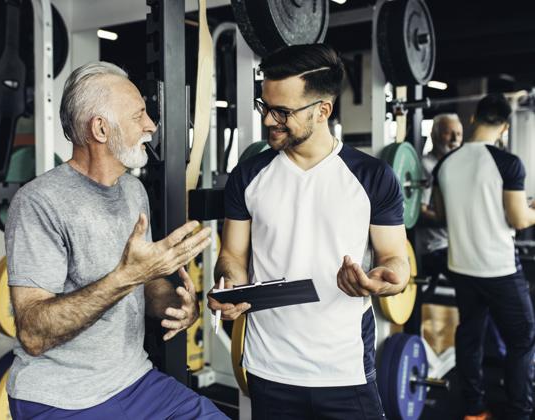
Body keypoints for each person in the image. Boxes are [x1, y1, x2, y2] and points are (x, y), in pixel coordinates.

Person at [4, 61, 228, 420]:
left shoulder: (132, 190)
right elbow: (33, 332)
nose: (151, 126)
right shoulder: (38, 203)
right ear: (101, 129)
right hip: (61, 398)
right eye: (139, 114)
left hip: (135, 381)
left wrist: (177, 305)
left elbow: (145, 280)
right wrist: (126, 277)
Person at [207, 43, 410, 420]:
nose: (268, 120)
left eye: (282, 111)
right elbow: (233, 256)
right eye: (264, 106)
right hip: (269, 366)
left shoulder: (372, 177)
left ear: (323, 110)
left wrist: (386, 280)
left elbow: (396, 261)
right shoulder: (249, 175)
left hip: (344, 366)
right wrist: (228, 284)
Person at [433, 94, 535, 420]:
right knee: (522, 336)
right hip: (499, 268)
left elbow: (442, 214)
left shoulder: (445, 163)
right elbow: (519, 220)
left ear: (473, 119)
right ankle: (520, 410)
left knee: (470, 334)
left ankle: (474, 409)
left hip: (461, 265)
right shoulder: (508, 162)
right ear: (505, 127)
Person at [418, 113, 463, 280]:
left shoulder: (456, 166)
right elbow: (419, 214)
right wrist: (455, 220)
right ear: (433, 135)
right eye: (448, 133)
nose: (454, 139)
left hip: (455, 244)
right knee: (469, 279)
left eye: (458, 134)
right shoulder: (426, 166)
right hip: (434, 247)